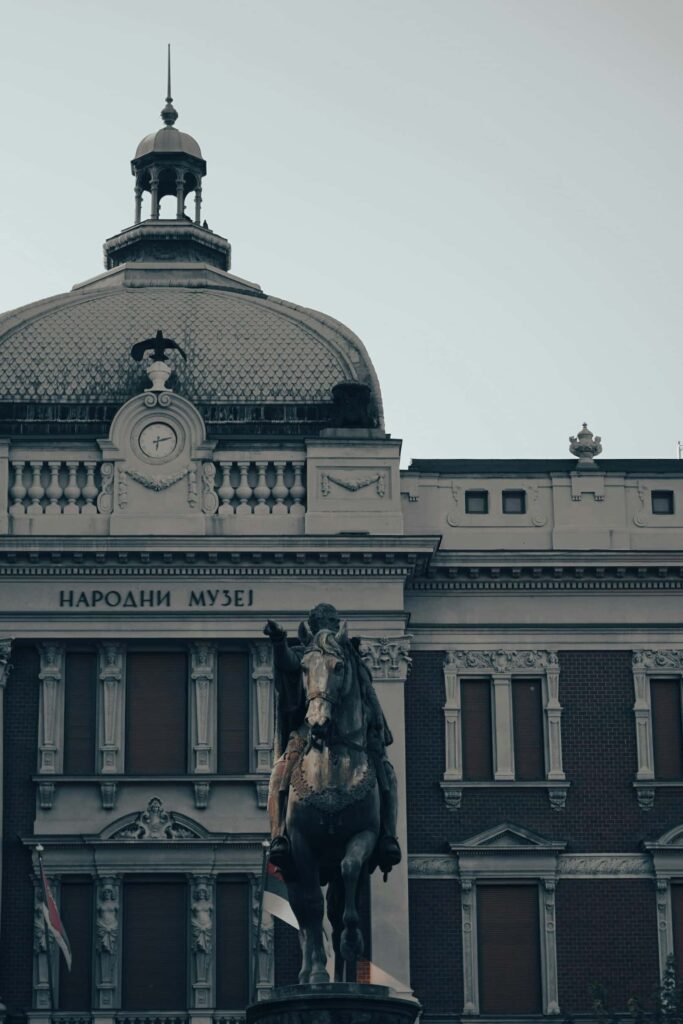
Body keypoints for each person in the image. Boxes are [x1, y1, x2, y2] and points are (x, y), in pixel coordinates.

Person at [263, 602, 401, 878]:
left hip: (355, 736)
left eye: (331, 623)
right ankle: (279, 835)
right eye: (321, 623)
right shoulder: (308, 654)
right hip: (308, 729)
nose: (327, 627)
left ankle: (388, 835)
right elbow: (288, 662)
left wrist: (375, 724)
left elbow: (367, 694)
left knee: (386, 772)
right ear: (312, 628)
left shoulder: (351, 658)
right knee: (279, 771)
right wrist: (279, 641)